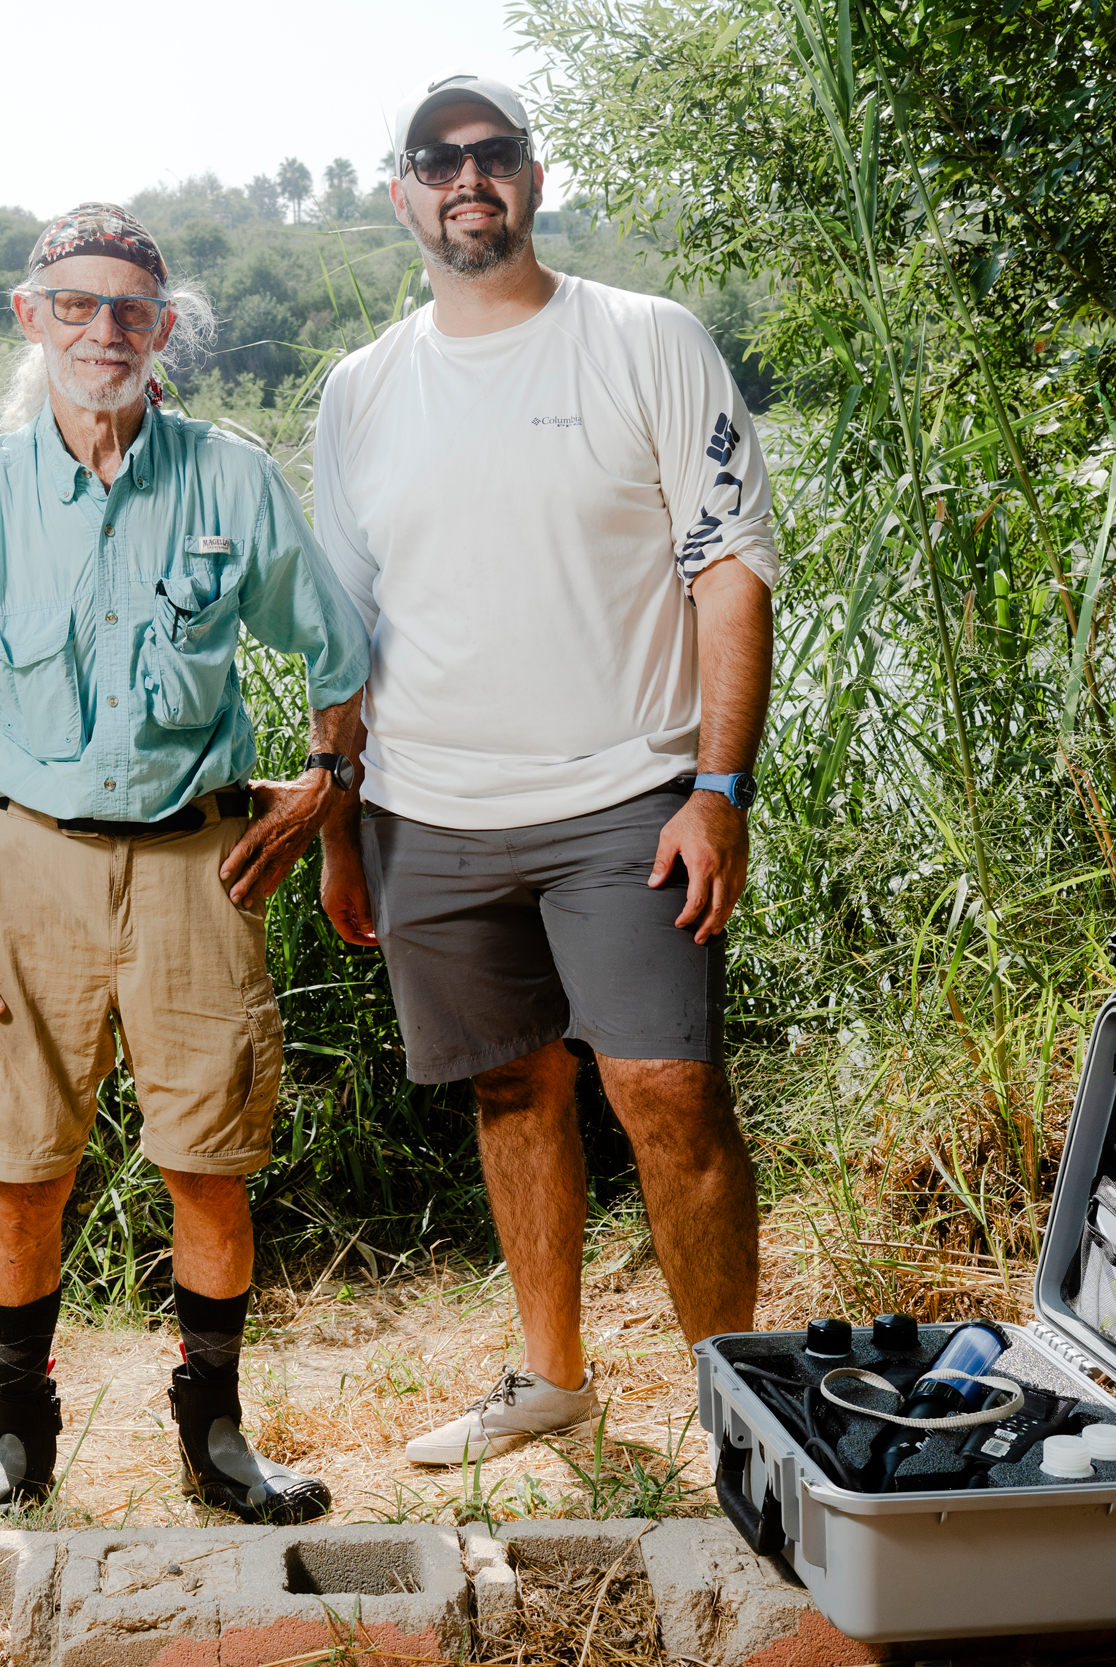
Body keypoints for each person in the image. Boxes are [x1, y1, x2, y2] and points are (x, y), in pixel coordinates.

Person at [309, 77, 778, 1465]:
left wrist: (720, 788)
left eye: (493, 153)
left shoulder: (647, 341)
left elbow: (732, 573)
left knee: (667, 1091)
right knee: (511, 1087)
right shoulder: (359, 392)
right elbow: (341, 626)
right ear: (403, 195)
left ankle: (734, 1410)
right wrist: (339, 820)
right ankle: (550, 1379)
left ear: (530, 176)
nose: (468, 179)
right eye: (437, 161)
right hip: (426, 812)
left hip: (629, 800)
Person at [0, 202, 370, 1523]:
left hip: (193, 872)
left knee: (208, 1163)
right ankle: (20, 1451)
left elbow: (342, 654)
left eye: (131, 310)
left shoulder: (228, 481)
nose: (106, 330)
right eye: (78, 305)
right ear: (31, 318)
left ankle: (217, 1447)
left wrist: (327, 787)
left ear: (164, 332)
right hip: (22, 868)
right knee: (21, 1167)